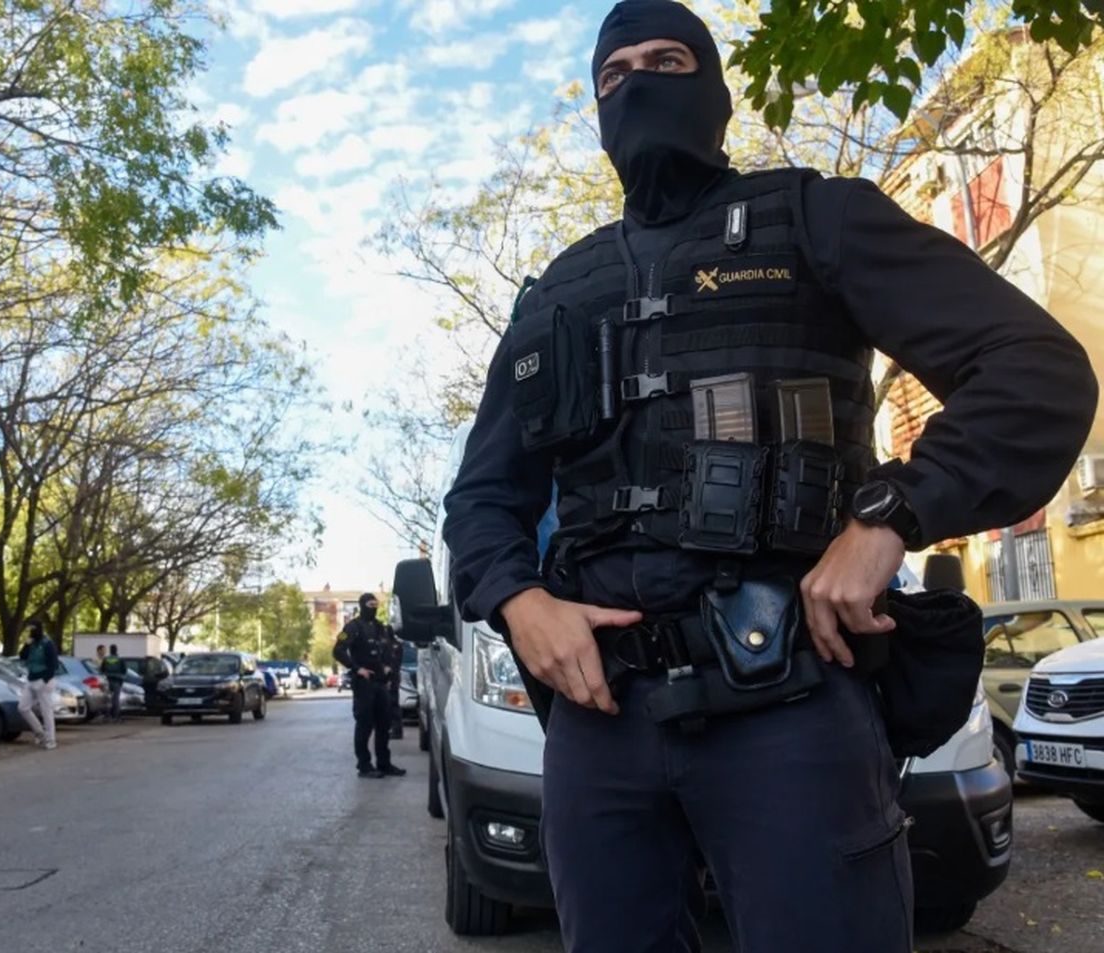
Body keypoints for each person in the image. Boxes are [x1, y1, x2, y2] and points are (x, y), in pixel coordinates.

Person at [442, 2, 1098, 950]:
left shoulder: (815, 219)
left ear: (712, 88)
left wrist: (888, 517)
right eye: (614, 74)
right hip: (601, 721)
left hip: (788, 700)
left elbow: (1036, 372)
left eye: (667, 59)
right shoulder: (556, 291)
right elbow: (481, 498)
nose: (639, 84)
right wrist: (517, 600)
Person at [333, 594, 406, 779]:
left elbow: (393, 648)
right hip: (364, 683)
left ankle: (384, 764)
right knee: (364, 725)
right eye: (370, 605)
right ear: (362, 606)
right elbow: (338, 650)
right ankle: (364, 766)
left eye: (376, 605)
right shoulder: (352, 627)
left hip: (381, 683)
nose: (373, 608)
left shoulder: (381, 628)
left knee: (384, 725)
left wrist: (390, 667)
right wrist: (357, 669)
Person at [17, 622, 60, 749]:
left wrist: (44, 680)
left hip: (44, 680)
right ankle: (40, 733)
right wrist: (26, 643)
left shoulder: (47, 644)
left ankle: (51, 739)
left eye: (33, 630)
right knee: (23, 708)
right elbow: (22, 656)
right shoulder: (32, 643)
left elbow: (54, 665)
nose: (31, 633)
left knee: (46, 710)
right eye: (30, 630)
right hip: (31, 678)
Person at [100, 644, 128, 723]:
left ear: (110, 650)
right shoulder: (120, 659)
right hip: (117, 681)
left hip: (107, 681)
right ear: (116, 650)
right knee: (116, 700)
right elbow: (124, 670)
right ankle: (116, 717)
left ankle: (107, 716)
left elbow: (102, 669)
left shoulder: (106, 659)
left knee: (107, 699)